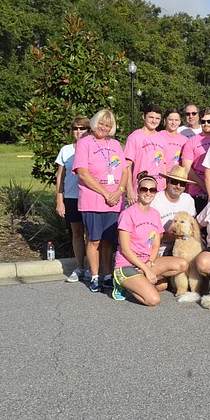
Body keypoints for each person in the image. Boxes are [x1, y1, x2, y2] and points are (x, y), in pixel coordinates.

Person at [74, 109, 129, 293]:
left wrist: (120, 191)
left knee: (108, 241)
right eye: (101, 123)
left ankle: (107, 275)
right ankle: (95, 276)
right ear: (94, 123)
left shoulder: (115, 144)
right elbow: (83, 173)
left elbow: (125, 171)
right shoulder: (84, 143)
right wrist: (106, 193)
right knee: (95, 239)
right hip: (93, 201)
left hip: (115, 202)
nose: (103, 127)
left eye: (107, 125)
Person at [112, 173, 188, 305]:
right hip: (127, 264)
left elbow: (155, 245)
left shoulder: (155, 214)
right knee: (153, 300)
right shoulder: (127, 214)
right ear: (138, 191)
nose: (148, 193)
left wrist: (150, 263)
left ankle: (140, 281)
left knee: (180, 266)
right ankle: (120, 283)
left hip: (146, 261)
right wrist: (147, 270)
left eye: (152, 190)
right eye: (144, 189)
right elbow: (125, 249)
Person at [55, 115, 90, 283]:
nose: (78, 131)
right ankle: (79, 267)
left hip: (90, 197)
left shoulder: (92, 147)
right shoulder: (66, 150)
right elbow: (60, 176)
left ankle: (91, 268)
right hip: (71, 197)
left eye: (82, 128)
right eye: (75, 128)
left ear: (88, 130)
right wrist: (59, 200)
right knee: (77, 233)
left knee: (91, 235)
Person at [181, 107, 210, 214]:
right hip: (196, 192)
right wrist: (203, 185)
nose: (206, 124)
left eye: (209, 121)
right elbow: (187, 167)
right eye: (203, 121)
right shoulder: (192, 141)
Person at [150, 165, 197, 257]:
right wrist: (170, 235)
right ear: (167, 181)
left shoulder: (188, 200)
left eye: (182, 184)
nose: (178, 186)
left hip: (183, 248)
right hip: (159, 249)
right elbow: (148, 234)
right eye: (174, 182)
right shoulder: (155, 201)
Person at [124, 104, 166, 201]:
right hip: (141, 189)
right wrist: (129, 189)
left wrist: (165, 187)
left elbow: (164, 165)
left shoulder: (162, 139)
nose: (154, 121)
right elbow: (127, 166)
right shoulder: (134, 137)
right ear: (144, 116)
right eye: (151, 117)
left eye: (157, 118)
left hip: (159, 190)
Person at [159, 108, 188, 179]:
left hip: (177, 177)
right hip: (160, 176)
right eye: (171, 120)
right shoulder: (158, 136)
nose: (173, 123)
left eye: (176, 120)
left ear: (180, 122)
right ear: (165, 120)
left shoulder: (185, 140)